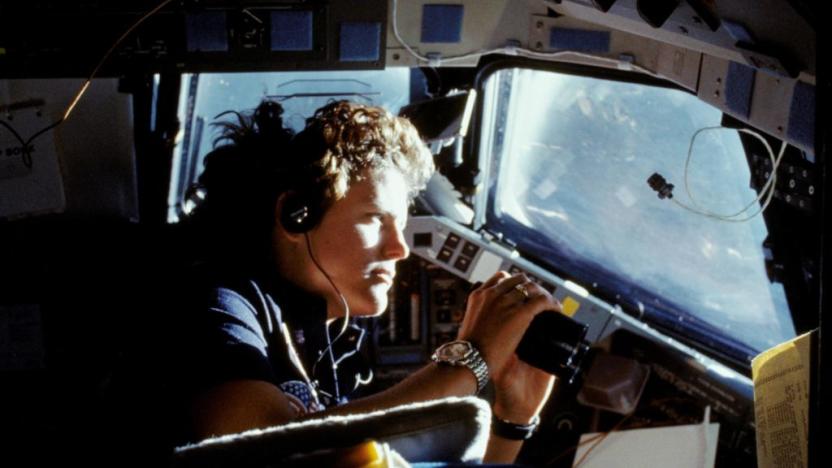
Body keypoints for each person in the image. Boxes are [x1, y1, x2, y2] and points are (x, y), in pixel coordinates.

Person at [165, 99, 561, 463]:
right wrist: (469, 361)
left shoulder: (324, 349)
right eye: (375, 219)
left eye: (401, 227)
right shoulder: (211, 301)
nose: (399, 249)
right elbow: (265, 451)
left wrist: (512, 421)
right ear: (297, 214)